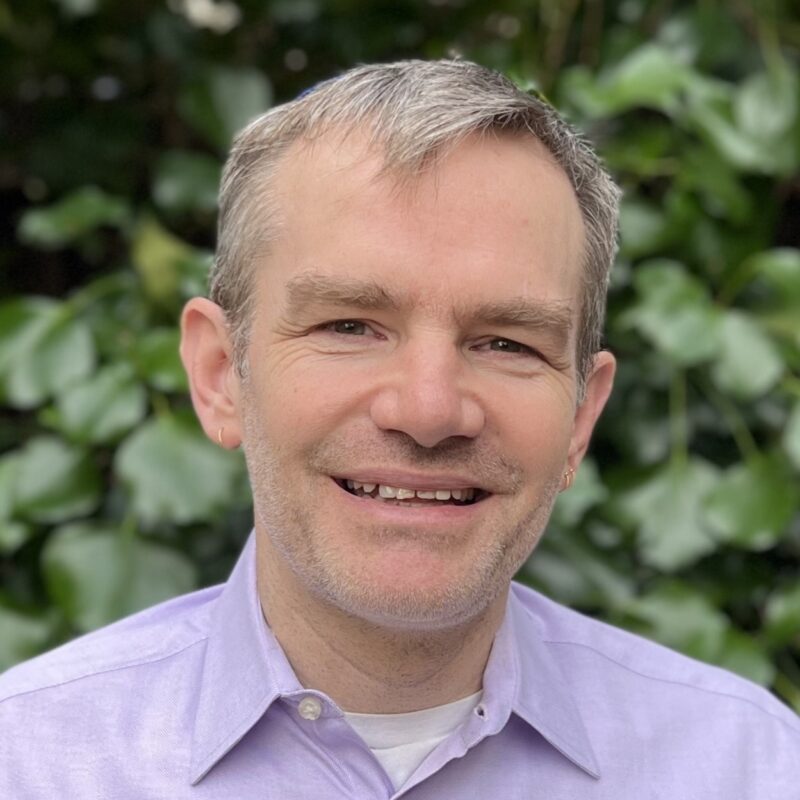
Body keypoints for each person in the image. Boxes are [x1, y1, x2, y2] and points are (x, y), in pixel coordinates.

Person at [0, 59, 797, 799]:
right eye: (349, 326)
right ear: (219, 376)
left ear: (582, 416)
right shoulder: (28, 761)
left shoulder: (748, 765)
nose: (427, 411)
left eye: (507, 343)